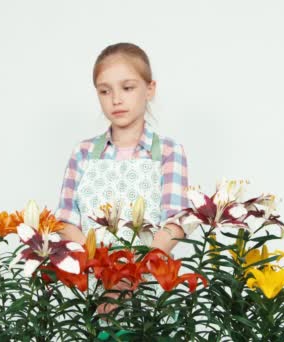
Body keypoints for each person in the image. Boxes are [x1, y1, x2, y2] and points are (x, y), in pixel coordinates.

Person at [54, 42, 191, 322]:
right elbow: (67, 223)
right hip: (90, 288)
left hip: (149, 288)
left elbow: (175, 224)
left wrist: (126, 281)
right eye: (105, 91)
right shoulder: (82, 153)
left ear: (149, 89)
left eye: (127, 88)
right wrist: (104, 274)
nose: (116, 99)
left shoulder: (168, 152)